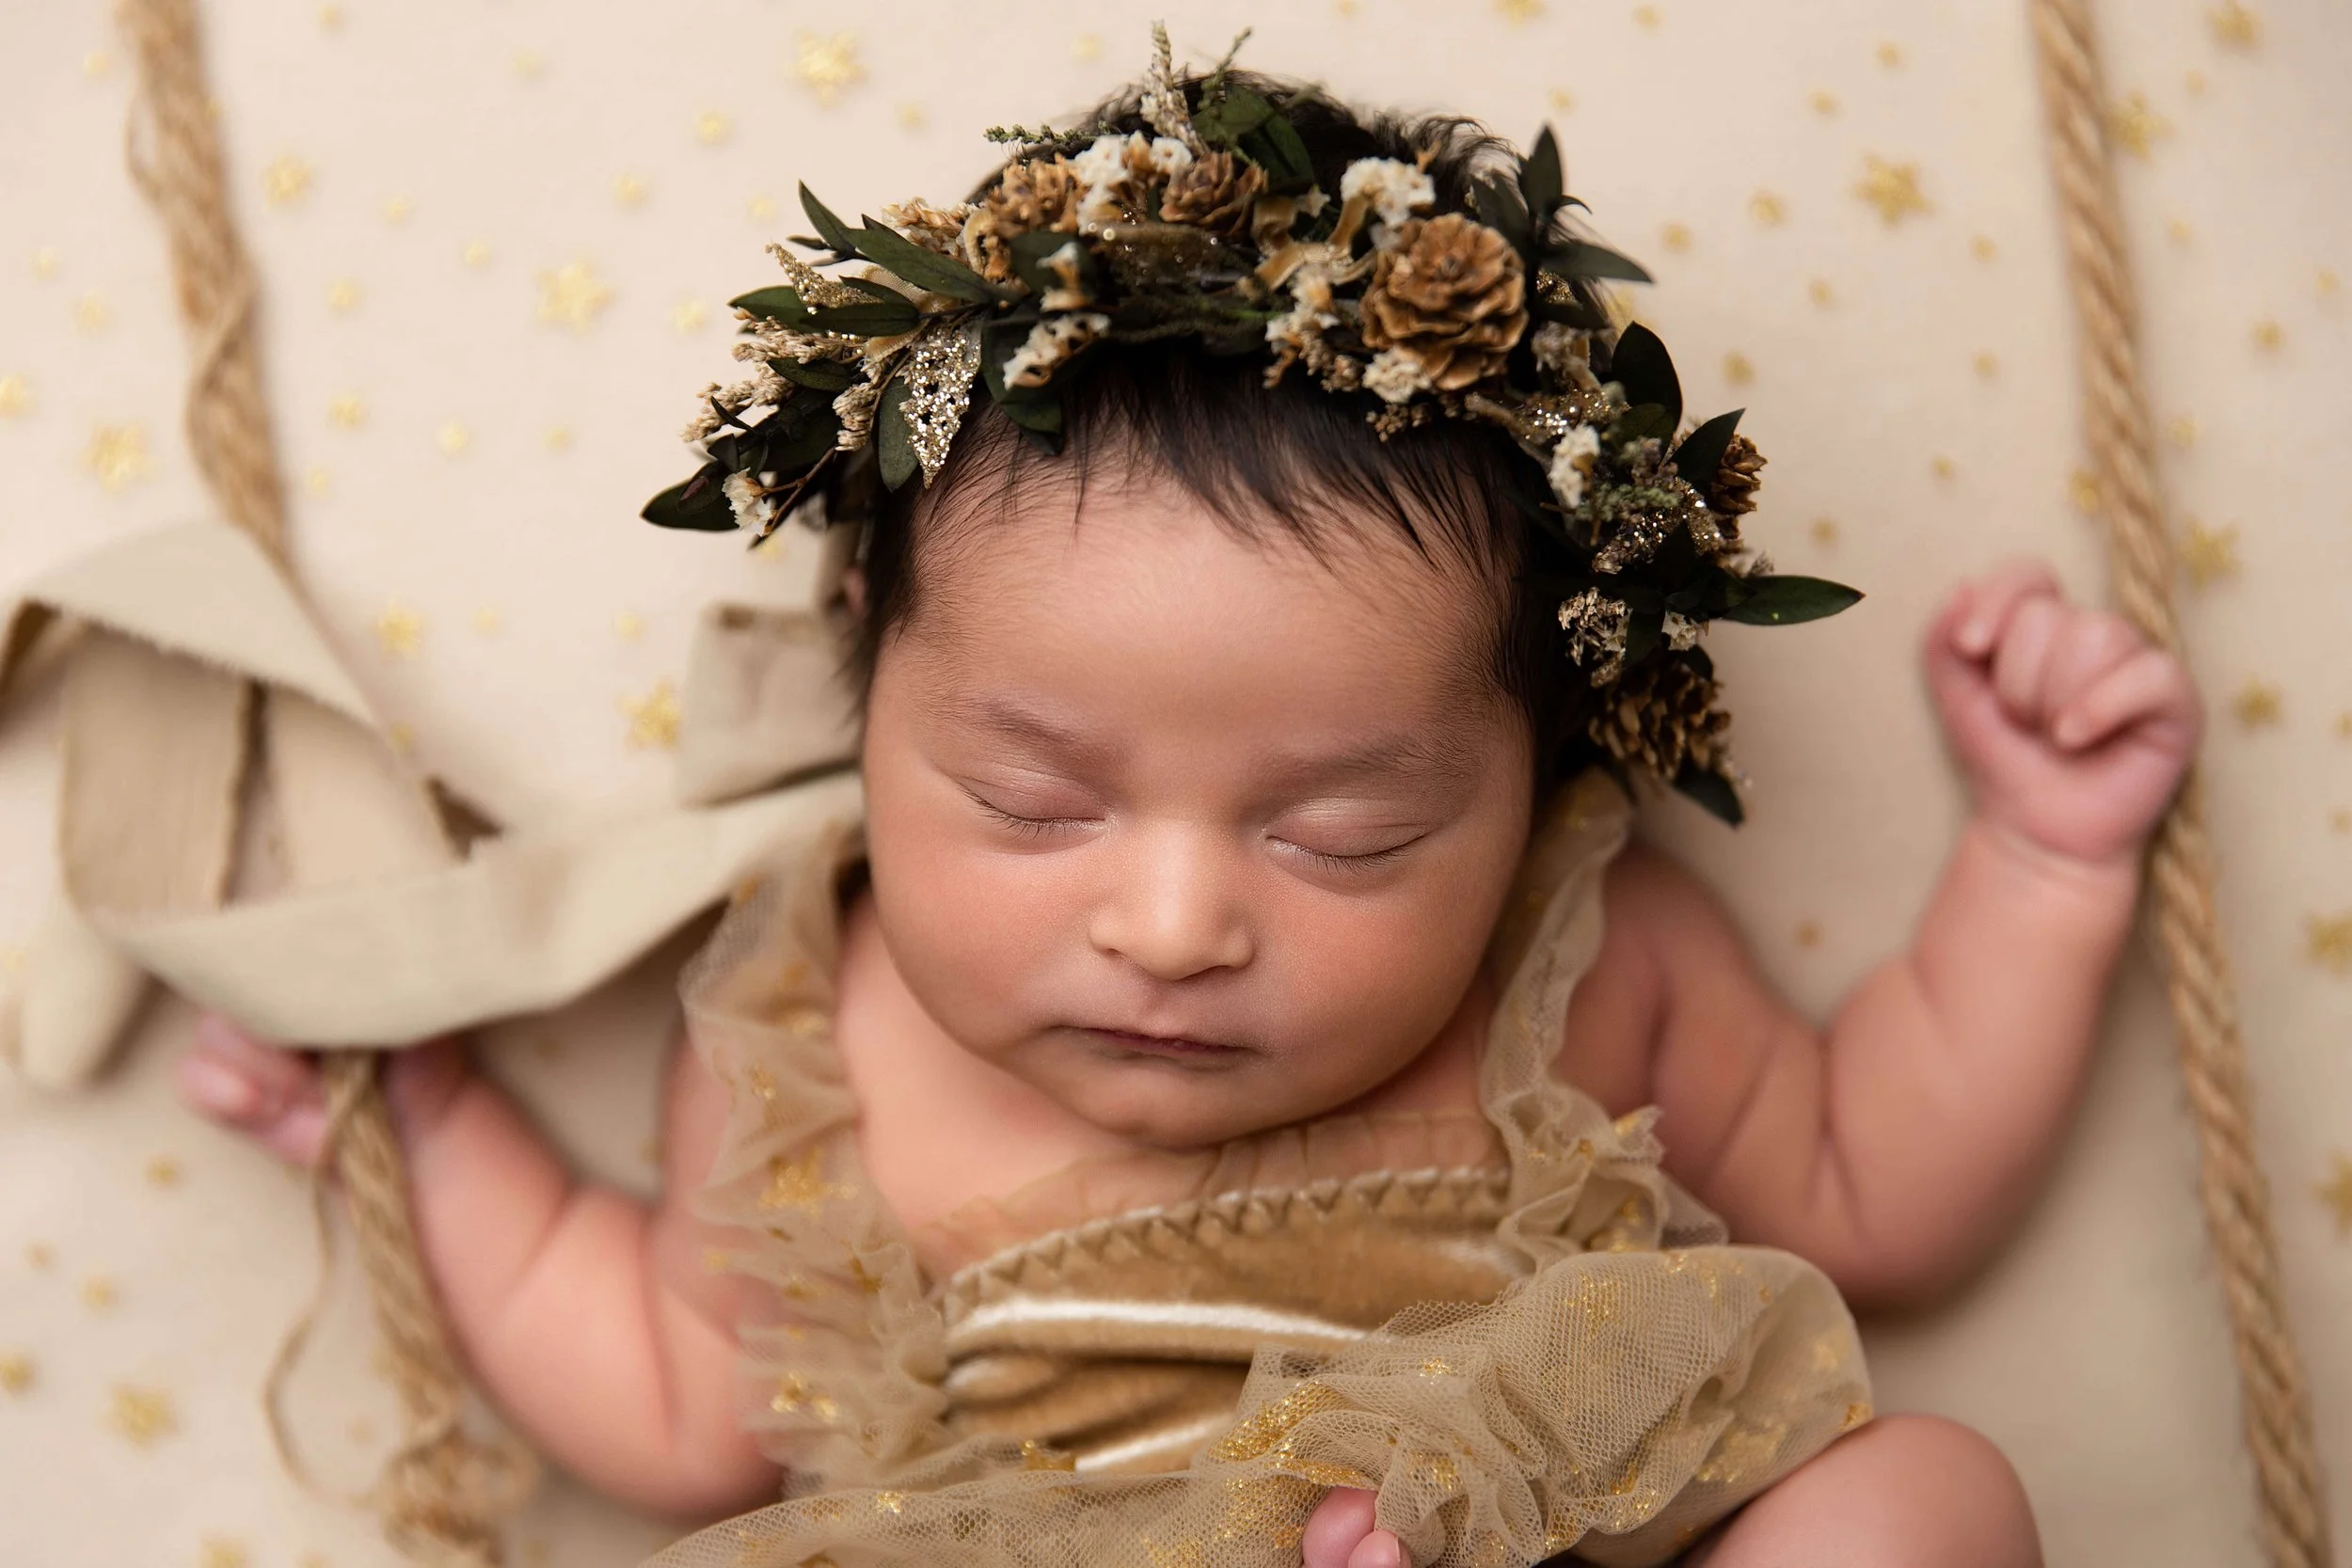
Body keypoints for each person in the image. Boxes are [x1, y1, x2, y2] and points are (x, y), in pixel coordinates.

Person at [177, 43, 2200, 1568]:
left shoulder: (1577, 981)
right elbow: (667, 1390)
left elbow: (1868, 1185)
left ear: (1531, 788)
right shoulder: (820, 1034)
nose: (1170, 921)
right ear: (863, 698)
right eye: (1032, 797)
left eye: (1342, 834)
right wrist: (427, 1117)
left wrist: (2040, 859)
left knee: (1922, 1496)